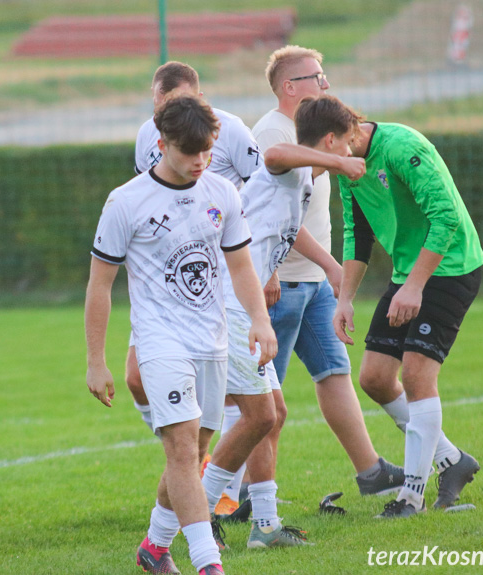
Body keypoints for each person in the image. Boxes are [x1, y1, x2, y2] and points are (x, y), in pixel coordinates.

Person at [85, 94, 276, 575]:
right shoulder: (125, 202)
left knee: (192, 455)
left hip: (213, 341)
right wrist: (96, 360)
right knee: (181, 448)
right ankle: (208, 563)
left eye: (207, 151)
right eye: (189, 152)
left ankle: (154, 546)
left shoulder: (222, 194)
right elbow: (100, 286)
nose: (200, 161)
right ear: (161, 141)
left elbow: (240, 265)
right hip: (159, 342)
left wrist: (259, 318)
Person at [203, 95, 370, 548]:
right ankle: (200, 513)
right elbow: (275, 154)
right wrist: (338, 166)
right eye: (349, 143)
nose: (354, 152)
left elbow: (289, 230)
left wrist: (333, 268)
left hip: (240, 307)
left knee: (268, 415)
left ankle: (262, 525)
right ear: (330, 140)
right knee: (259, 415)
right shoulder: (289, 167)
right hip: (231, 307)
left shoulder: (305, 182)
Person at [247, 46, 404, 506]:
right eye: (317, 76)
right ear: (289, 87)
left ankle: (371, 470)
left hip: (312, 280)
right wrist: (272, 270)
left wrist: (331, 268)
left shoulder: (317, 128)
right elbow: (263, 213)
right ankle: (235, 498)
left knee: (334, 373)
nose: (326, 83)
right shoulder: (273, 132)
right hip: (281, 284)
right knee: (260, 407)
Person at [333, 114, 483, 518]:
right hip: (408, 272)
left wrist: (415, 286)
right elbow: (356, 232)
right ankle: (452, 461)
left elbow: (447, 217)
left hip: (450, 267)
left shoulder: (402, 148)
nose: (322, 163)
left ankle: (411, 498)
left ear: (348, 133)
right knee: (375, 378)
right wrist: (345, 298)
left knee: (417, 376)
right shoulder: (343, 164)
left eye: (325, 151)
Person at [132, 61, 263, 516]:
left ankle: (233, 500)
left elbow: (265, 187)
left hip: (220, 286)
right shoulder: (144, 146)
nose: (166, 114)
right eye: (159, 105)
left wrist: (265, 263)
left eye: (175, 104)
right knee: (140, 383)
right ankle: (190, 469)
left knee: (258, 412)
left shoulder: (231, 134)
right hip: (161, 294)